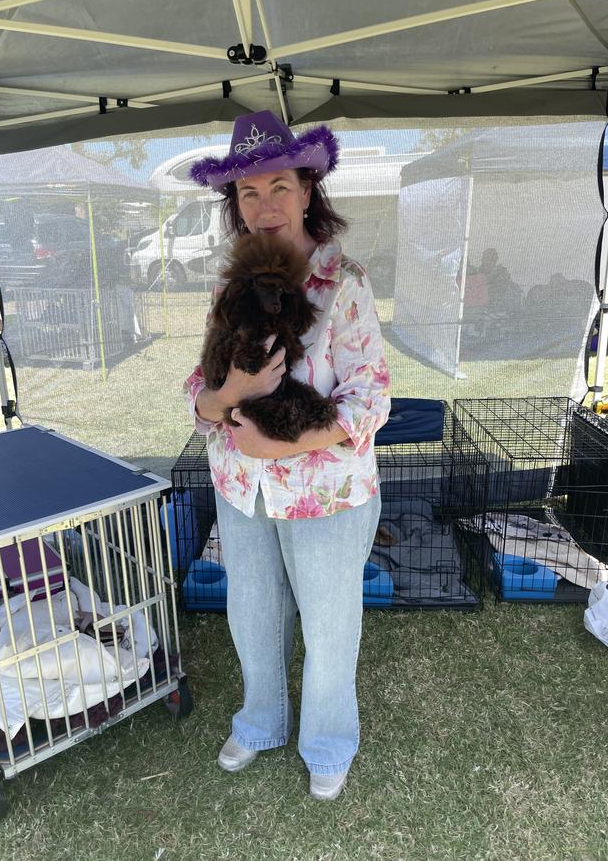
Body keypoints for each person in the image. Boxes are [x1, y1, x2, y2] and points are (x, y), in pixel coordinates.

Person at [184, 111, 390, 800]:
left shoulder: (344, 283)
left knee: (330, 622)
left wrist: (279, 439)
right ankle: (261, 719)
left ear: (308, 189)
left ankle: (329, 741)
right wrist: (230, 394)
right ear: (234, 205)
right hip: (241, 487)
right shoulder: (228, 284)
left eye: (279, 185)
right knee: (252, 610)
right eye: (247, 192)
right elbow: (200, 389)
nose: (264, 203)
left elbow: (370, 401)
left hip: (325, 493)